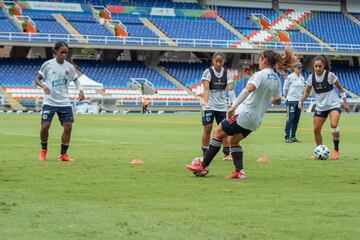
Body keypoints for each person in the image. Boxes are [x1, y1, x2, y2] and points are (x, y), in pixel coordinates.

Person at [186, 49, 297, 178]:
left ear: (265, 60)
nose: (259, 62)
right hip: (255, 121)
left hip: (244, 114)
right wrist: (264, 99)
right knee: (233, 140)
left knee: (217, 133)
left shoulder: (259, 75)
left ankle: (203, 166)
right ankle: (239, 171)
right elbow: (278, 100)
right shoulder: (276, 79)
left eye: (260, 59)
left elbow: (247, 90)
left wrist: (233, 106)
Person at [35, 41, 85, 162]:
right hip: (49, 101)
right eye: (61, 52)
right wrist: (43, 86)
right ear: (55, 51)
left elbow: (76, 80)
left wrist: (81, 91)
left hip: (64, 102)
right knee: (45, 126)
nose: (64, 55)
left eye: (66, 53)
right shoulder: (47, 64)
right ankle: (43, 151)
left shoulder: (70, 67)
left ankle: (63, 155)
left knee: (68, 127)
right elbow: (37, 79)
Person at [298, 55, 350, 160]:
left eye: (320, 66)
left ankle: (336, 151)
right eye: (316, 66)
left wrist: (345, 103)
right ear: (313, 66)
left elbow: (341, 89)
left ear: (324, 66)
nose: (318, 68)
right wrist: (300, 101)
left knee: (334, 124)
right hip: (320, 107)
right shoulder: (310, 78)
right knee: (316, 130)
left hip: (333, 105)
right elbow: (307, 93)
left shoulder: (330, 76)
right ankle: (318, 151)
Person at [201, 52, 236, 161]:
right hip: (210, 105)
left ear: (223, 62)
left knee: (224, 130)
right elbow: (206, 89)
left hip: (222, 107)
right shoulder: (208, 72)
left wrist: (234, 105)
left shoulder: (227, 74)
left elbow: (230, 90)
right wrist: (205, 103)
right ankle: (205, 153)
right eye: (217, 61)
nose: (218, 64)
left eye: (220, 62)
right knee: (207, 128)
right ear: (213, 61)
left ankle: (226, 153)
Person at [283, 62, 305, 143]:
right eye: (298, 67)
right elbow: (285, 88)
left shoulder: (302, 78)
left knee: (296, 119)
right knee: (290, 119)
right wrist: (286, 97)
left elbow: (302, 91)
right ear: (294, 68)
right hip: (291, 100)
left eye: (301, 68)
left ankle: (293, 136)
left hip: (299, 101)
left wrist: (301, 100)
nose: (300, 69)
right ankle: (287, 137)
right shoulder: (290, 77)